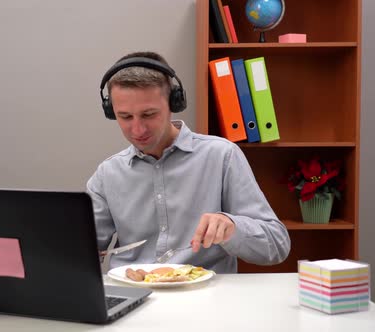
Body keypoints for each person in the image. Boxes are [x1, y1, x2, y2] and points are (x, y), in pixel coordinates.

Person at [87, 51, 290, 273]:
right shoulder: (108, 174)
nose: (137, 129)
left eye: (149, 114)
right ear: (111, 111)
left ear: (174, 102)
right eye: (125, 117)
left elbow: (277, 246)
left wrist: (233, 228)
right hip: (133, 294)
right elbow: (81, 250)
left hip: (206, 299)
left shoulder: (222, 156)